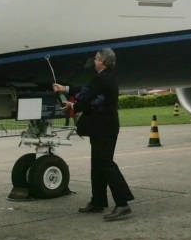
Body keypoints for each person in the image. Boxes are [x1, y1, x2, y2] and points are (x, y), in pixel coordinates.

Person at [52, 48, 135, 221]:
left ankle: (123, 204)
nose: (94, 61)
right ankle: (98, 201)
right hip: (103, 128)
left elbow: (86, 98)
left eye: (97, 59)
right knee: (98, 164)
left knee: (105, 164)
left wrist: (72, 106)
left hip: (104, 128)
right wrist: (65, 88)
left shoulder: (103, 79)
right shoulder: (106, 77)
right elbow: (87, 90)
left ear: (103, 62)